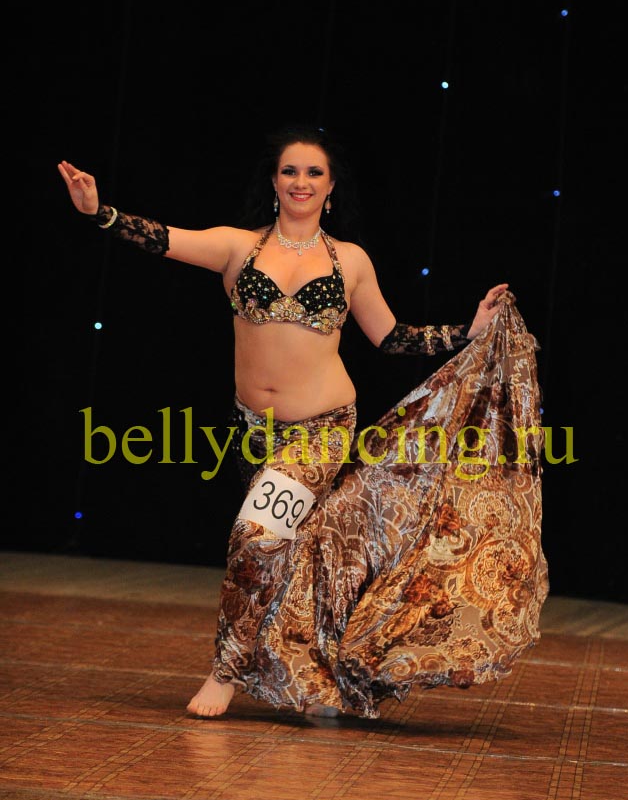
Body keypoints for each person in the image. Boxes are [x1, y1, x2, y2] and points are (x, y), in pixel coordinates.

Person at [58, 124, 548, 721]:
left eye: (314, 173)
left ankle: (225, 670)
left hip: (322, 428)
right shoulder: (238, 248)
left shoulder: (350, 260)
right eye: (290, 171)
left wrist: (467, 331)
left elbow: (391, 337)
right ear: (273, 181)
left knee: (254, 535)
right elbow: (163, 239)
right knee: (291, 553)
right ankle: (314, 679)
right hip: (252, 430)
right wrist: (99, 212)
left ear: (331, 187)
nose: (301, 182)